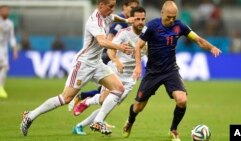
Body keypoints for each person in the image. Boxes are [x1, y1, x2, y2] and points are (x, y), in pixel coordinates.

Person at [20, 0, 135, 136]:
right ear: (100, 5)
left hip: (97, 64)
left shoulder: (107, 15)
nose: (112, 9)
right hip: (83, 65)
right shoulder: (95, 21)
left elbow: (114, 17)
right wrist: (120, 47)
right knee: (65, 98)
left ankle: (98, 121)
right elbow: (102, 41)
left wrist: (127, 20)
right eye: (110, 6)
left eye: (113, 6)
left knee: (119, 89)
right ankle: (30, 115)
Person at [122, 1, 221, 141]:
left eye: (174, 17)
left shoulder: (179, 26)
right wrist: (138, 67)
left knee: (182, 100)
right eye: (169, 16)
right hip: (152, 73)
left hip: (170, 71)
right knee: (138, 107)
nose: (171, 20)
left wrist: (211, 47)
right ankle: (130, 122)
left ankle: (173, 130)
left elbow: (197, 39)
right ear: (162, 13)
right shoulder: (151, 26)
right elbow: (138, 46)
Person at [71, 6, 146, 135]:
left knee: (107, 107)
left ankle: (79, 126)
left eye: (143, 19)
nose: (140, 22)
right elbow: (111, 50)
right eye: (137, 19)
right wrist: (117, 62)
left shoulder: (148, 34)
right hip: (116, 72)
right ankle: (88, 101)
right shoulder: (124, 33)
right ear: (132, 19)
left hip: (130, 78)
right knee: (102, 101)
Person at [68, 0, 140, 111]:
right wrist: (116, 59)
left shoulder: (118, 18)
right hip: (108, 56)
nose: (133, 10)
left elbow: (113, 17)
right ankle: (88, 106)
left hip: (111, 56)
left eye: (136, 7)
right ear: (124, 7)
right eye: (132, 7)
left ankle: (86, 101)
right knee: (110, 92)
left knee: (109, 91)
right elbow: (109, 39)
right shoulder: (119, 24)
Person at [0, 5, 18, 99]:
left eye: (7, 10)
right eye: (4, 10)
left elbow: (11, 37)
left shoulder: (10, 23)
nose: (6, 12)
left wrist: (15, 49)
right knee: (4, 66)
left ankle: (1, 88)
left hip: (4, 49)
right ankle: (1, 88)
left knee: (4, 67)